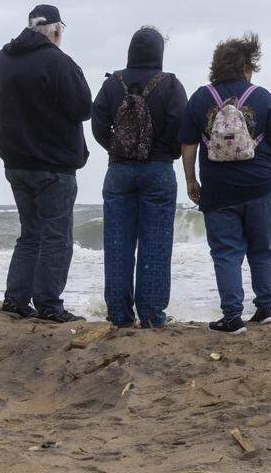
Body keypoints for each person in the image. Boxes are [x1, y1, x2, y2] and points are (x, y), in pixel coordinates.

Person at [178, 34, 271, 335]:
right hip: (261, 186)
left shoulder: (201, 98)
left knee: (226, 252)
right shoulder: (265, 99)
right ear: (247, 67)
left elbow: (188, 144)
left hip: (219, 188)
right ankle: (266, 309)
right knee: (262, 248)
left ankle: (233, 317)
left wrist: (190, 178)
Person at [0, 5, 91, 323]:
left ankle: (17, 299)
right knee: (56, 236)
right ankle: (49, 303)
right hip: (53, 163)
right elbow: (83, 107)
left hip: (16, 160)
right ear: (56, 31)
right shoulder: (58, 62)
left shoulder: (2, 60)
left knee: (30, 233)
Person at [91, 27, 187, 328]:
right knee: (156, 245)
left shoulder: (112, 85)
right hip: (158, 170)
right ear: (159, 53)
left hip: (119, 170)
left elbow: (97, 124)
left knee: (117, 244)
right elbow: (180, 128)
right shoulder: (170, 84)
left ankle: (119, 316)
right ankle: (152, 316)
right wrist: (162, 152)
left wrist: (117, 147)